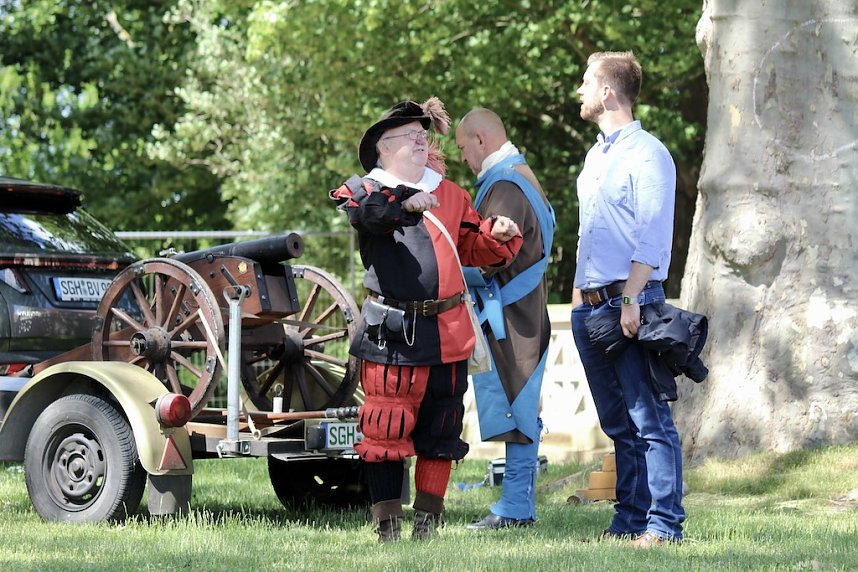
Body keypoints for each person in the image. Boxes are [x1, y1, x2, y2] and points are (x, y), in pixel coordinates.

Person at [329, 99, 522, 543]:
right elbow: (369, 216)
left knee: (442, 429)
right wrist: (407, 202)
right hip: (391, 333)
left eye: (423, 134)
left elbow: (472, 243)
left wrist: (496, 235)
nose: (422, 140)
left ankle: (427, 526)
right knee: (385, 428)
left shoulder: (451, 193)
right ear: (384, 148)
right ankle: (388, 527)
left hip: (447, 332)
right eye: (410, 136)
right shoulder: (363, 190)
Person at [570, 51, 685, 548]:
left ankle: (664, 525)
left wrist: (632, 299)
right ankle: (630, 519)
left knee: (649, 418)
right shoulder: (596, 156)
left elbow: (653, 239)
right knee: (618, 421)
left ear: (607, 93)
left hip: (629, 301)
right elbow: (589, 237)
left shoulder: (648, 153)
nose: (579, 90)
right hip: (590, 306)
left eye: (585, 82)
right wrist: (579, 303)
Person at [454, 108, 555, 530]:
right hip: (517, 310)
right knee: (520, 406)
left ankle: (515, 508)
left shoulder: (507, 186)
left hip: (513, 313)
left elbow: (494, 256)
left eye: (462, 148)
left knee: (519, 408)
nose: (462, 158)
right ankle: (516, 505)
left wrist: (450, 269)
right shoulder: (515, 176)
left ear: (481, 140)